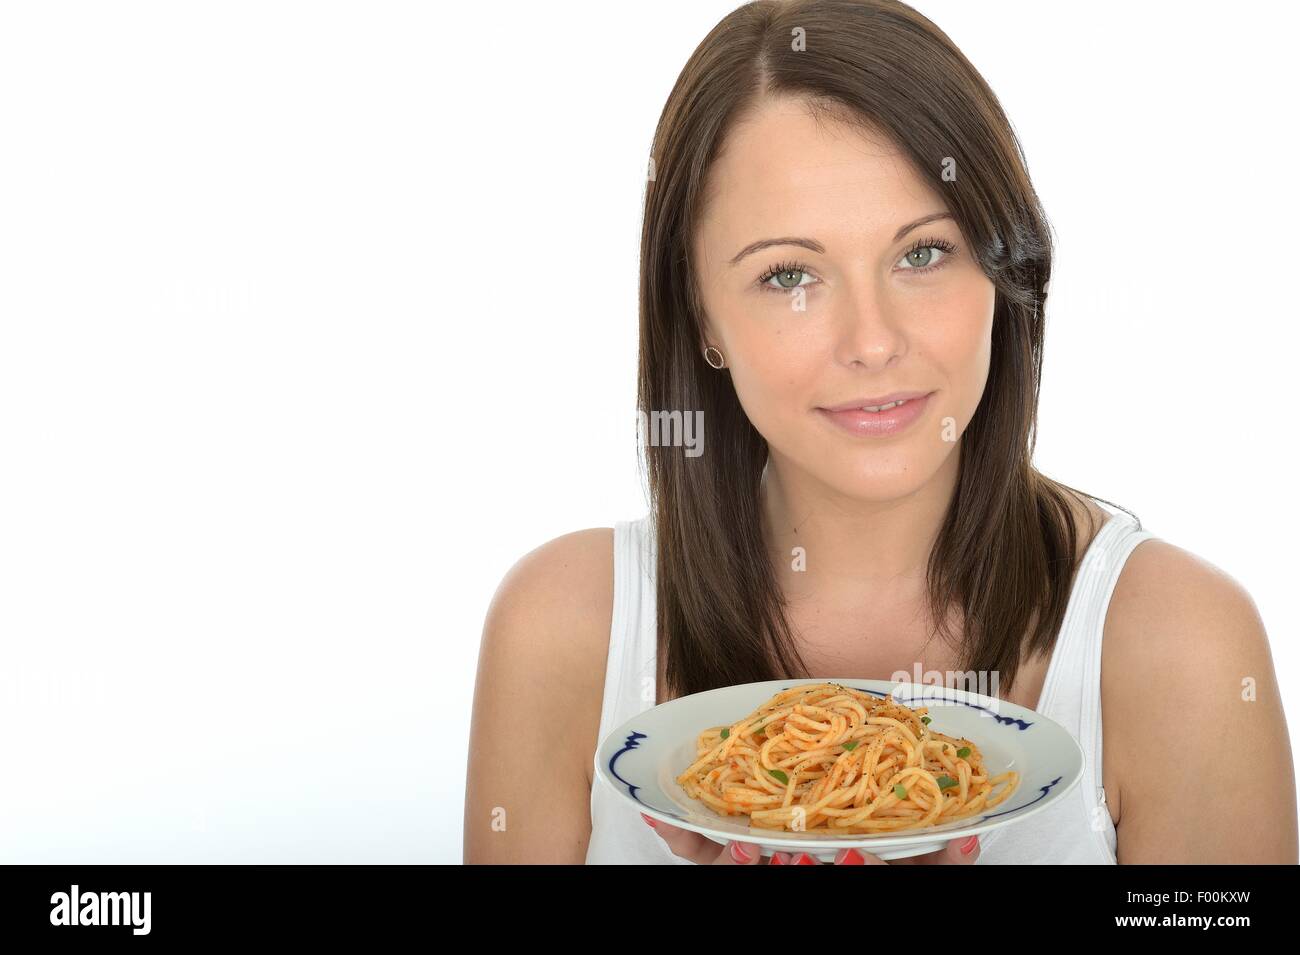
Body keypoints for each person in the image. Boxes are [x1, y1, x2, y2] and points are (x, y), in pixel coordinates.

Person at [464, 0, 1296, 864]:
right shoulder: (562, 631)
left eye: (923, 253)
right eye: (789, 273)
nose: (872, 341)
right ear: (701, 314)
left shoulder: (1182, 646)